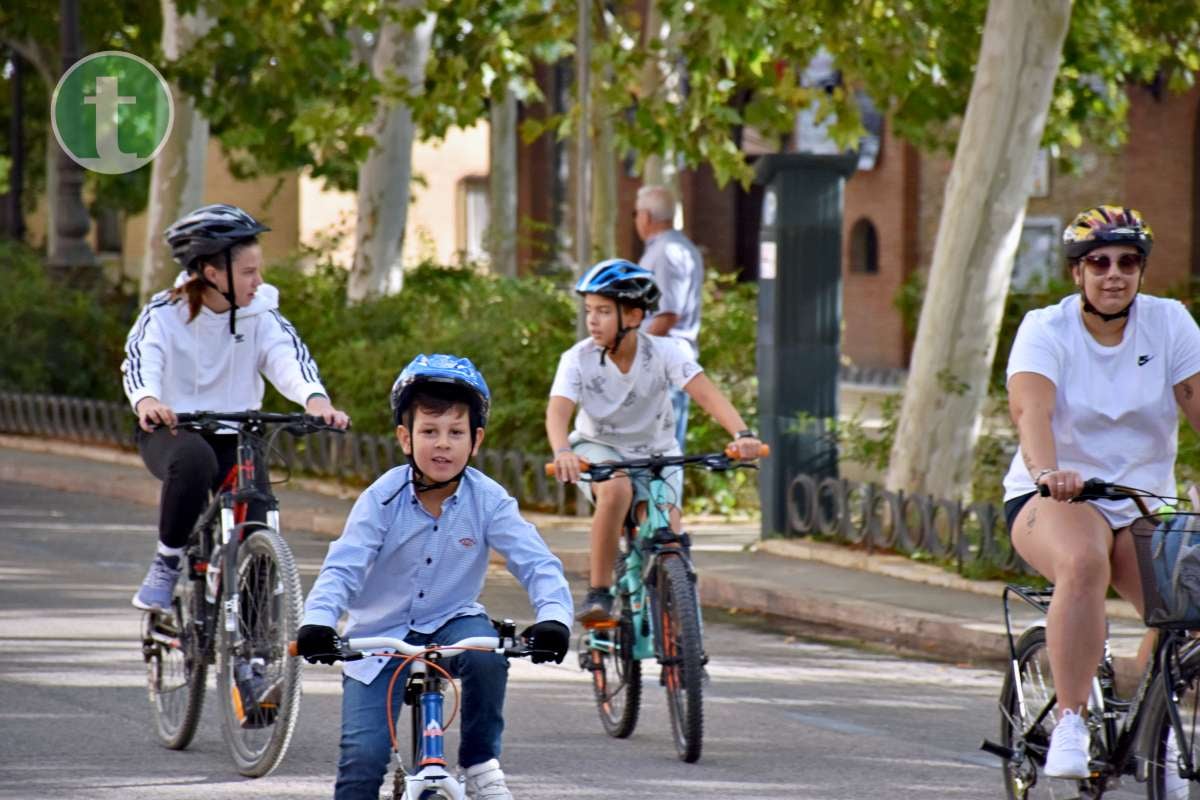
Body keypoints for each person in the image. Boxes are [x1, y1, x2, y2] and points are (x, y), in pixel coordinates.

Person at [296, 354, 573, 800]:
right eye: (429, 431)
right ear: (405, 438)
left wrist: (555, 618)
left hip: (452, 621)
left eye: (455, 433)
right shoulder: (381, 499)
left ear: (476, 440)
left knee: (487, 656)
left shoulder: (489, 500)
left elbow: (537, 563)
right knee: (361, 762)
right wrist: (319, 622)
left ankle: (481, 764)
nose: (442, 444)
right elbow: (343, 567)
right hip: (378, 640)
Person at [1002, 205, 1200, 781]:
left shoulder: (1170, 324)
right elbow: (1029, 408)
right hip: (1057, 497)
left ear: (1141, 270)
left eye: (1128, 262)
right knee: (1084, 561)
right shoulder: (1047, 328)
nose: (1114, 273)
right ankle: (1069, 719)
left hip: (1142, 500)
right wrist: (1048, 471)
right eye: (1099, 262)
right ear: (1078, 274)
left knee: (1186, 615)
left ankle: (1152, 719)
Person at [122, 203, 350, 612]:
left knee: (257, 517)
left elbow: (288, 359)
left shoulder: (261, 313)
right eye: (248, 272)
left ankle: (254, 649)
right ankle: (168, 561)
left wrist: (316, 400)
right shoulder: (163, 314)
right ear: (212, 273)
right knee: (194, 462)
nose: (258, 281)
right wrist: (149, 399)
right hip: (173, 429)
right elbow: (141, 359)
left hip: (238, 432)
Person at [546, 259, 761, 622]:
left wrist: (741, 434)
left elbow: (706, 394)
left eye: (603, 311)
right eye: (589, 311)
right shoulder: (577, 360)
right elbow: (557, 411)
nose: (592, 320)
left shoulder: (666, 353)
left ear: (632, 316)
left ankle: (681, 641)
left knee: (666, 530)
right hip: (598, 449)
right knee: (617, 491)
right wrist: (563, 451)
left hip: (659, 455)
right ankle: (599, 594)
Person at [634, 185, 704, 452]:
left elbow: (666, 315)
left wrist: (635, 357)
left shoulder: (666, 252)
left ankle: (663, 496)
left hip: (663, 366)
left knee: (661, 457)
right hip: (664, 363)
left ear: (646, 216)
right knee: (654, 455)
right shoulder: (674, 248)